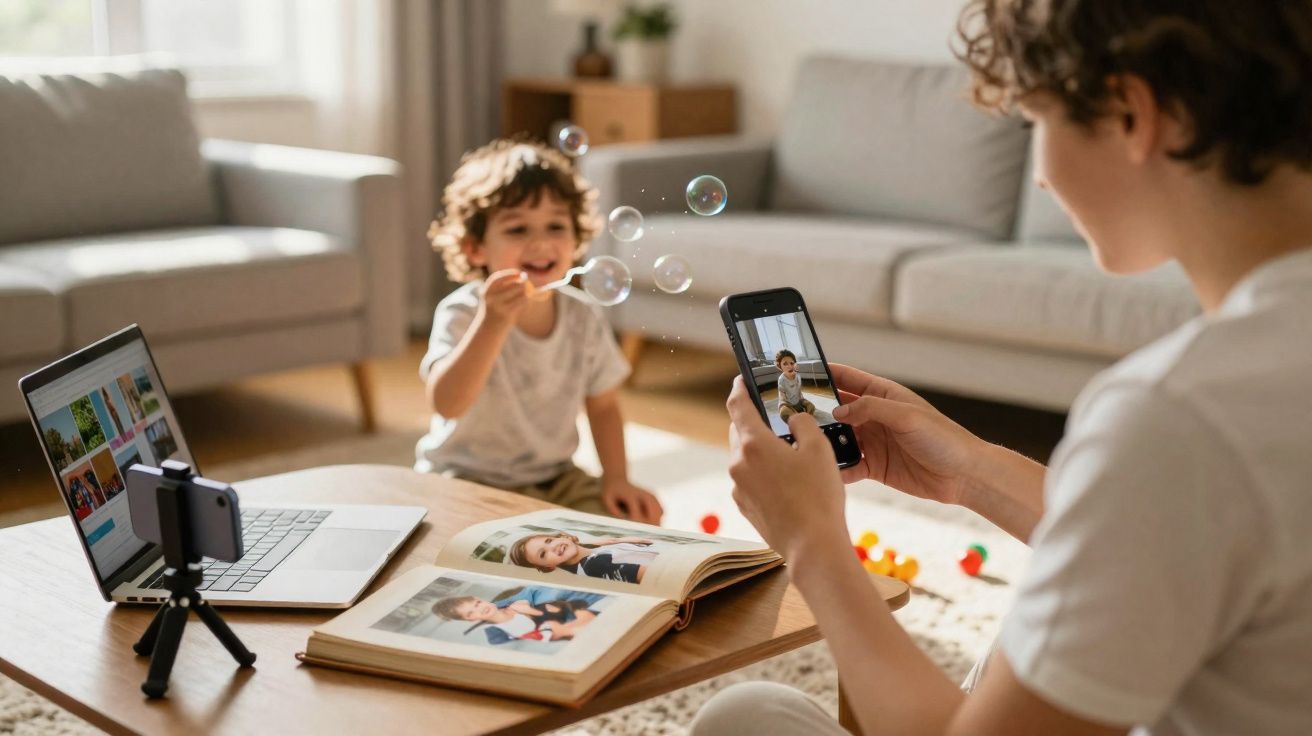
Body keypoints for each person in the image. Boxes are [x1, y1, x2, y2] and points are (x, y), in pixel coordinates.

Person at [694, 2, 1312, 734]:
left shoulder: (1180, 412)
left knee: (742, 717)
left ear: (1130, 112)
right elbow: (1194, 540)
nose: (1042, 177)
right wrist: (971, 471)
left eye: (1035, 121)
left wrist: (811, 545)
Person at [417, 139, 662, 524]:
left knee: (631, 526)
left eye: (556, 225)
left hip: (556, 477)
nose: (541, 242)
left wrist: (617, 478)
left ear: (576, 239)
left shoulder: (582, 316)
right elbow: (447, 404)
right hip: (467, 478)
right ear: (475, 248)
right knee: (464, 543)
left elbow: (603, 405)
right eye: (517, 228)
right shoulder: (464, 312)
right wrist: (492, 323)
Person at [431, 594, 598, 645]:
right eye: (471, 613)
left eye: (478, 603)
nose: (480, 607)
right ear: (470, 620)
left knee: (573, 611)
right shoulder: (495, 634)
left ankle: (586, 623)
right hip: (551, 633)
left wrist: (529, 610)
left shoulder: (518, 605)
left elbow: (550, 612)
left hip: (565, 618)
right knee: (551, 627)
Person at [508, 531, 657, 584]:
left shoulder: (589, 550)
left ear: (562, 536)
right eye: (543, 554)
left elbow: (598, 544)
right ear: (548, 567)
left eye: (549, 540)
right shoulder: (594, 565)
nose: (552, 547)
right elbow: (651, 576)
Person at [774, 350, 816, 421]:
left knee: (811, 406)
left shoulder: (797, 376)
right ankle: (796, 416)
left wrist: (803, 401)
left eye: (791, 363)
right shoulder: (781, 379)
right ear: (779, 366)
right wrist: (786, 405)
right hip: (787, 404)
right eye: (785, 364)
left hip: (798, 402)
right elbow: (782, 397)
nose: (790, 366)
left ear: (795, 364)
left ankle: (804, 416)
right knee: (784, 412)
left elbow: (799, 392)